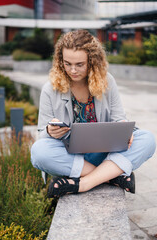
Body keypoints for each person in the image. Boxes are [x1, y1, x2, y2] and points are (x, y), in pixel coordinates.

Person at [31, 29, 156, 198]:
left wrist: (122, 127)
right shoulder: (50, 89)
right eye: (67, 63)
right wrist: (49, 131)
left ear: (92, 61)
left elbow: (119, 118)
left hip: (105, 152)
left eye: (80, 65)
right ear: (60, 61)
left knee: (147, 139)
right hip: (72, 157)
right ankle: (110, 176)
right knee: (38, 151)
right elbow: (42, 136)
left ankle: (83, 184)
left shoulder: (107, 81)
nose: (73, 70)